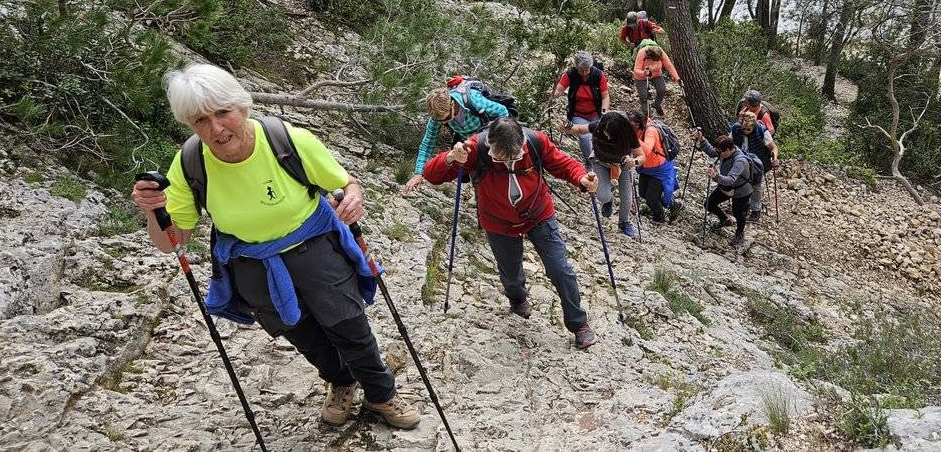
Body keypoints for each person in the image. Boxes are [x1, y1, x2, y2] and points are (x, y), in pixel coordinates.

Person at [130, 64, 421, 429]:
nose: (216, 129)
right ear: (189, 124)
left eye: (223, 112)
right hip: (254, 266)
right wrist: (154, 212)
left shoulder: (287, 140)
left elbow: (345, 182)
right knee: (304, 337)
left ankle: (381, 394)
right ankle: (341, 381)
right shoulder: (189, 163)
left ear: (243, 106)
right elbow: (173, 241)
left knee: (350, 328)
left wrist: (352, 196)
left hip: (315, 250)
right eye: (200, 120)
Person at [421, 117, 601, 349]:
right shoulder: (474, 149)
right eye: (499, 157)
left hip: (538, 214)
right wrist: (451, 157)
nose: (506, 161)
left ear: (523, 143)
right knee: (511, 273)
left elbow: (563, 164)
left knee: (560, 269)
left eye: (513, 158)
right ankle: (517, 299)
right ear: (490, 144)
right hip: (498, 222)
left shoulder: (536, 142)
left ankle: (579, 325)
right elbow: (431, 175)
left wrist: (582, 178)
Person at [404, 81, 510, 194]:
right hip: (469, 145)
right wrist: (418, 173)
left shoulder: (472, 100)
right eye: (441, 120)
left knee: (500, 174)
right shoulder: (437, 116)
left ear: (452, 104)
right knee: (479, 179)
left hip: (490, 139)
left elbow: (503, 112)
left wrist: (493, 137)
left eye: (448, 117)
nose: (444, 121)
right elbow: (428, 143)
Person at [564, 111, 645, 238]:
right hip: (599, 162)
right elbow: (580, 129)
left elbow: (641, 156)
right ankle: (609, 201)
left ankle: (624, 222)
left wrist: (634, 161)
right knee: (602, 196)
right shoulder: (599, 125)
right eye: (605, 132)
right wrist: (567, 127)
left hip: (623, 165)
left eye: (610, 134)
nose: (607, 136)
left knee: (627, 198)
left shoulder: (628, 133)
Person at [694, 133, 753, 247]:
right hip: (726, 187)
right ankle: (725, 219)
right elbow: (711, 151)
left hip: (742, 190)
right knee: (709, 204)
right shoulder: (725, 153)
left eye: (719, 151)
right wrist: (702, 139)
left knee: (739, 213)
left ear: (727, 150)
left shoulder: (740, 161)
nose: (717, 154)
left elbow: (730, 179)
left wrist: (715, 176)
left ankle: (740, 233)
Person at [626, 110, 683, 223]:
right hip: (646, 168)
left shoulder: (650, 131)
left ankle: (660, 217)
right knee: (643, 193)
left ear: (637, 124)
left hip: (660, 170)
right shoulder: (637, 130)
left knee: (651, 198)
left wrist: (632, 136)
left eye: (630, 126)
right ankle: (671, 205)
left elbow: (647, 150)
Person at [552, 51, 610, 164]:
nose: (584, 73)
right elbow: (558, 90)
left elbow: (605, 96)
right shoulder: (570, 75)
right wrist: (551, 95)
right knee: (584, 137)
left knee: (599, 136)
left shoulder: (598, 75)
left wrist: (604, 112)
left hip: (596, 113)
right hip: (578, 114)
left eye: (587, 69)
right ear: (576, 67)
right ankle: (589, 162)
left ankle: (601, 159)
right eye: (581, 70)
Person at [729, 110, 779, 222]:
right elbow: (729, 142)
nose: (746, 131)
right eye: (744, 129)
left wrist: (774, 158)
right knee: (740, 183)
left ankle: (756, 210)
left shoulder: (761, 130)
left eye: (749, 129)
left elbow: (773, 148)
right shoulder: (736, 129)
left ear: (754, 125)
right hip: (740, 161)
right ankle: (742, 206)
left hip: (758, 162)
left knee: (756, 185)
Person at [632, 42, 681, 118]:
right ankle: (647, 114)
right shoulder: (642, 53)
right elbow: (636, 69)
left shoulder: (661, 53)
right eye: (654, 60)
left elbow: (669, 66)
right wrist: (643, 73)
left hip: (656, 74)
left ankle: (656, 104)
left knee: (662, 90)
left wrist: (676, 77)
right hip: (641, 77)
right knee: (644, 96)